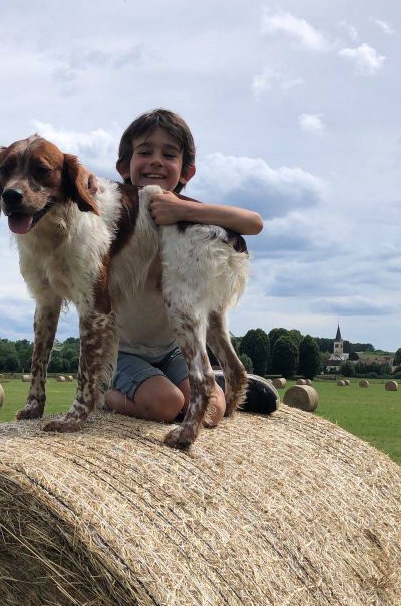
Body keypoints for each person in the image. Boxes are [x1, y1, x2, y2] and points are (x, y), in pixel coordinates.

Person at [104, 108, 277, 425]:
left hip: (171, 350)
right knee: (166, 405)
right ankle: (106, 395)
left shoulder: (187, 216)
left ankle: (214, 381)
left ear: (187, 172)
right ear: (123, 167)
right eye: (145, 152)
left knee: (211, 413)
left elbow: (254, 223)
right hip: (120, 353)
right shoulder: (113, 217)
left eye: (168, 154)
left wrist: (183, 209)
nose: (156, 160)